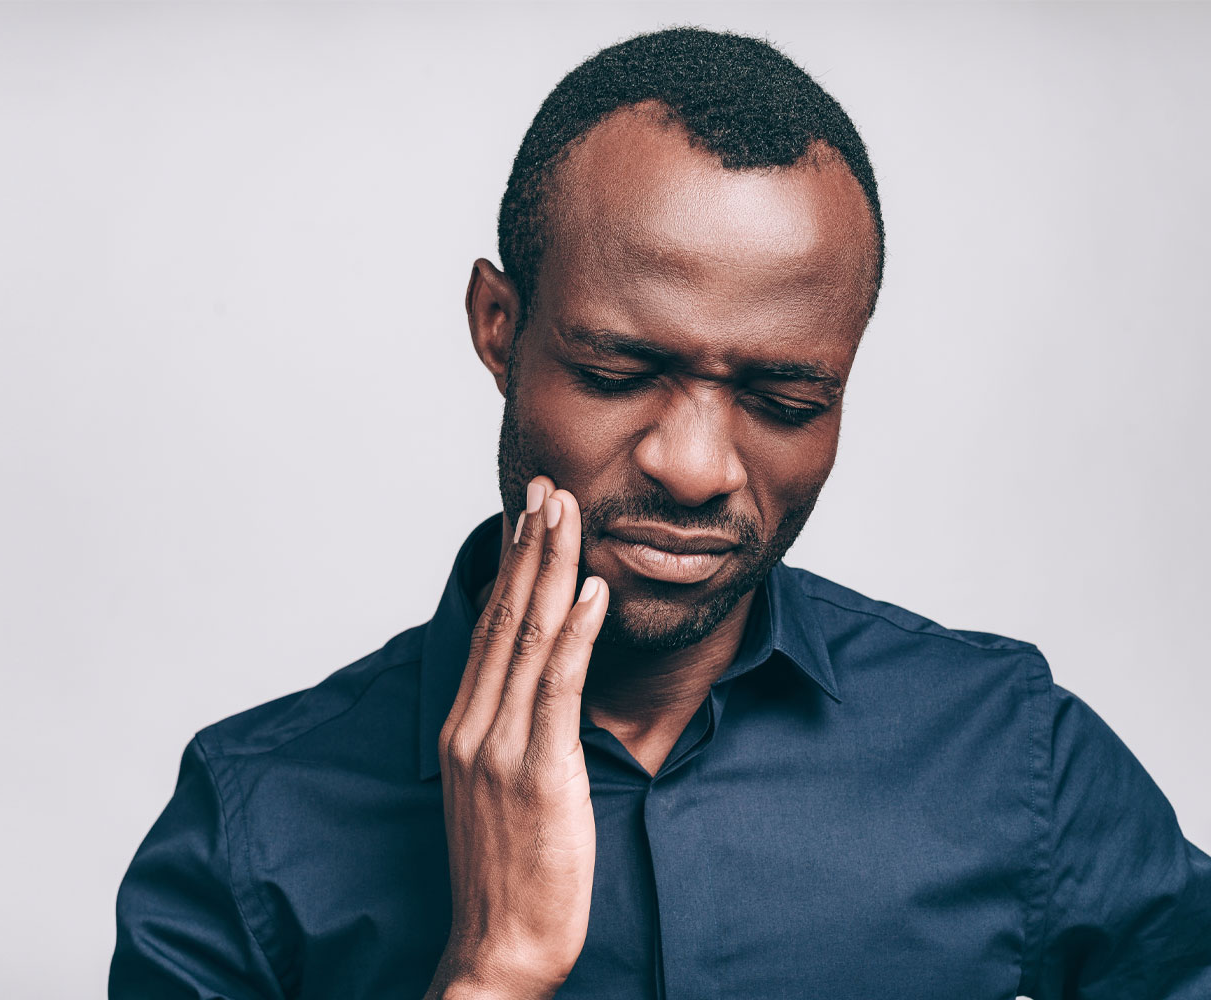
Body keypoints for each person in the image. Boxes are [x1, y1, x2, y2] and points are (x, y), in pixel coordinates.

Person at [107, 26, 1211, 1000]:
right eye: (614, 370)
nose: (692, 467)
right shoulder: (251, 824)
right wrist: (488, 972)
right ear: (499, 327)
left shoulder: (1006, 751)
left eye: (784, 400)